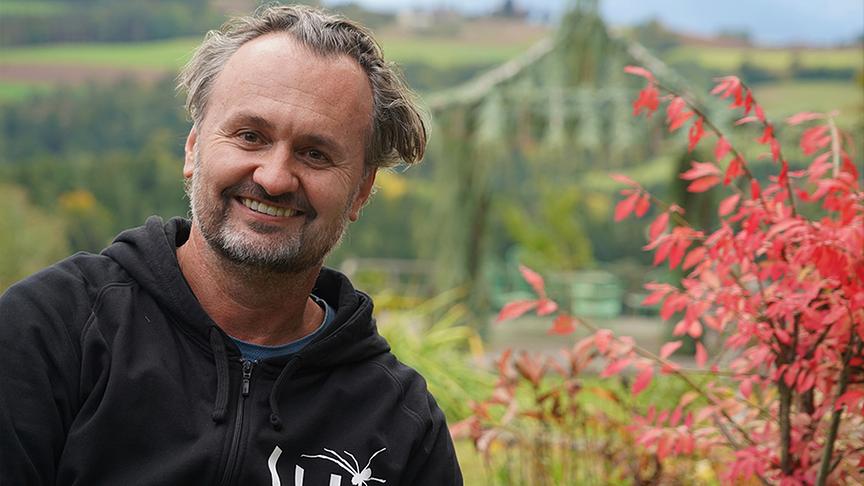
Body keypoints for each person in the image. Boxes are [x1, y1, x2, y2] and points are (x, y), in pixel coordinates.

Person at [0, 4, 463, 485]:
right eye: (250, 136)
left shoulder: (401, 425)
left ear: (362, 190)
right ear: (193, 148)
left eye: (315, 153)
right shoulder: (50, 331)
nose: (275, 178)